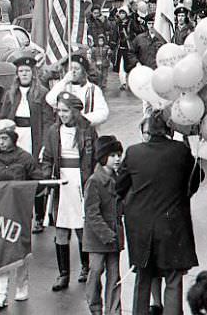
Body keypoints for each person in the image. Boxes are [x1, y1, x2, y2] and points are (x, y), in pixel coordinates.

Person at [117, 109, 203, 315]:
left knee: (143, 277)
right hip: (172, 223)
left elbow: (119, 186)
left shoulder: (133, 152)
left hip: (141, 226)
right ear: (169, 129)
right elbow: (197, 176)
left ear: (148, 131)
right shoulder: (180, 151)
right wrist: (182, 195)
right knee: (173, 279)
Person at [0, 120, 46, 309]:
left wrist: (29, 193)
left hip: (21, 211)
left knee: (21, 249)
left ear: (13, 138)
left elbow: (38, 183)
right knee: (1, 250)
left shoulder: (25, 158)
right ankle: (1, 293)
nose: (1, 142)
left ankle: (22, 286)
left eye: (4, 138)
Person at [41, 92, 99, 291]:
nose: (62, 115)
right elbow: (48, 157)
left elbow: (95, 159)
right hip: (61, 183)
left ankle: (85, 267)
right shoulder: (53, 131)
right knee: (61, 227)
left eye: (66, 111)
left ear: (74, 111)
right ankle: (63, 273)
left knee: (82, 227)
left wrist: (92, 181)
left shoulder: (88, 130)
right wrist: (48, 176)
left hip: (81, 182)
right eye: (59, 111)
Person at [0, 52, 55, 233]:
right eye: (21, 71)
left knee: (35, 178)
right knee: (16, 175)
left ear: (33, 73)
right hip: (17, 136)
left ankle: (39, 216)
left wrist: (45, 144)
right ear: (17, 74)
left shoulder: (42, 93)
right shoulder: (10, 94)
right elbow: (4, 118)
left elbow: (47, 121)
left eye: (27, 71)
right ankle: (20, 216)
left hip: (34, 137)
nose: (24, 74)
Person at [83, 135, 124, 315]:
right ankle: (95, 307)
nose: (117, 159)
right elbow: (92, 213)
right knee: (96, 271)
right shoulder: (94, 181)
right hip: (98, 238)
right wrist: (106, 234)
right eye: (113, 155)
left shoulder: (120, 178)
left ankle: (113, 311)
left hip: (114, 236)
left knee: (114, 276)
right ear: (103, 157)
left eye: (119, 155)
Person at [45, 53, 110, 127]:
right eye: (70, 68)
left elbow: (103, 113)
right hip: (64, 131)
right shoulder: (63, 87)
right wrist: (64, 81)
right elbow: (50, 100)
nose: (73, 72)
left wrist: (83, 119)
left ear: (83, 72)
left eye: (76, 69)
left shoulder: (93, 89)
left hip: (85, 131)